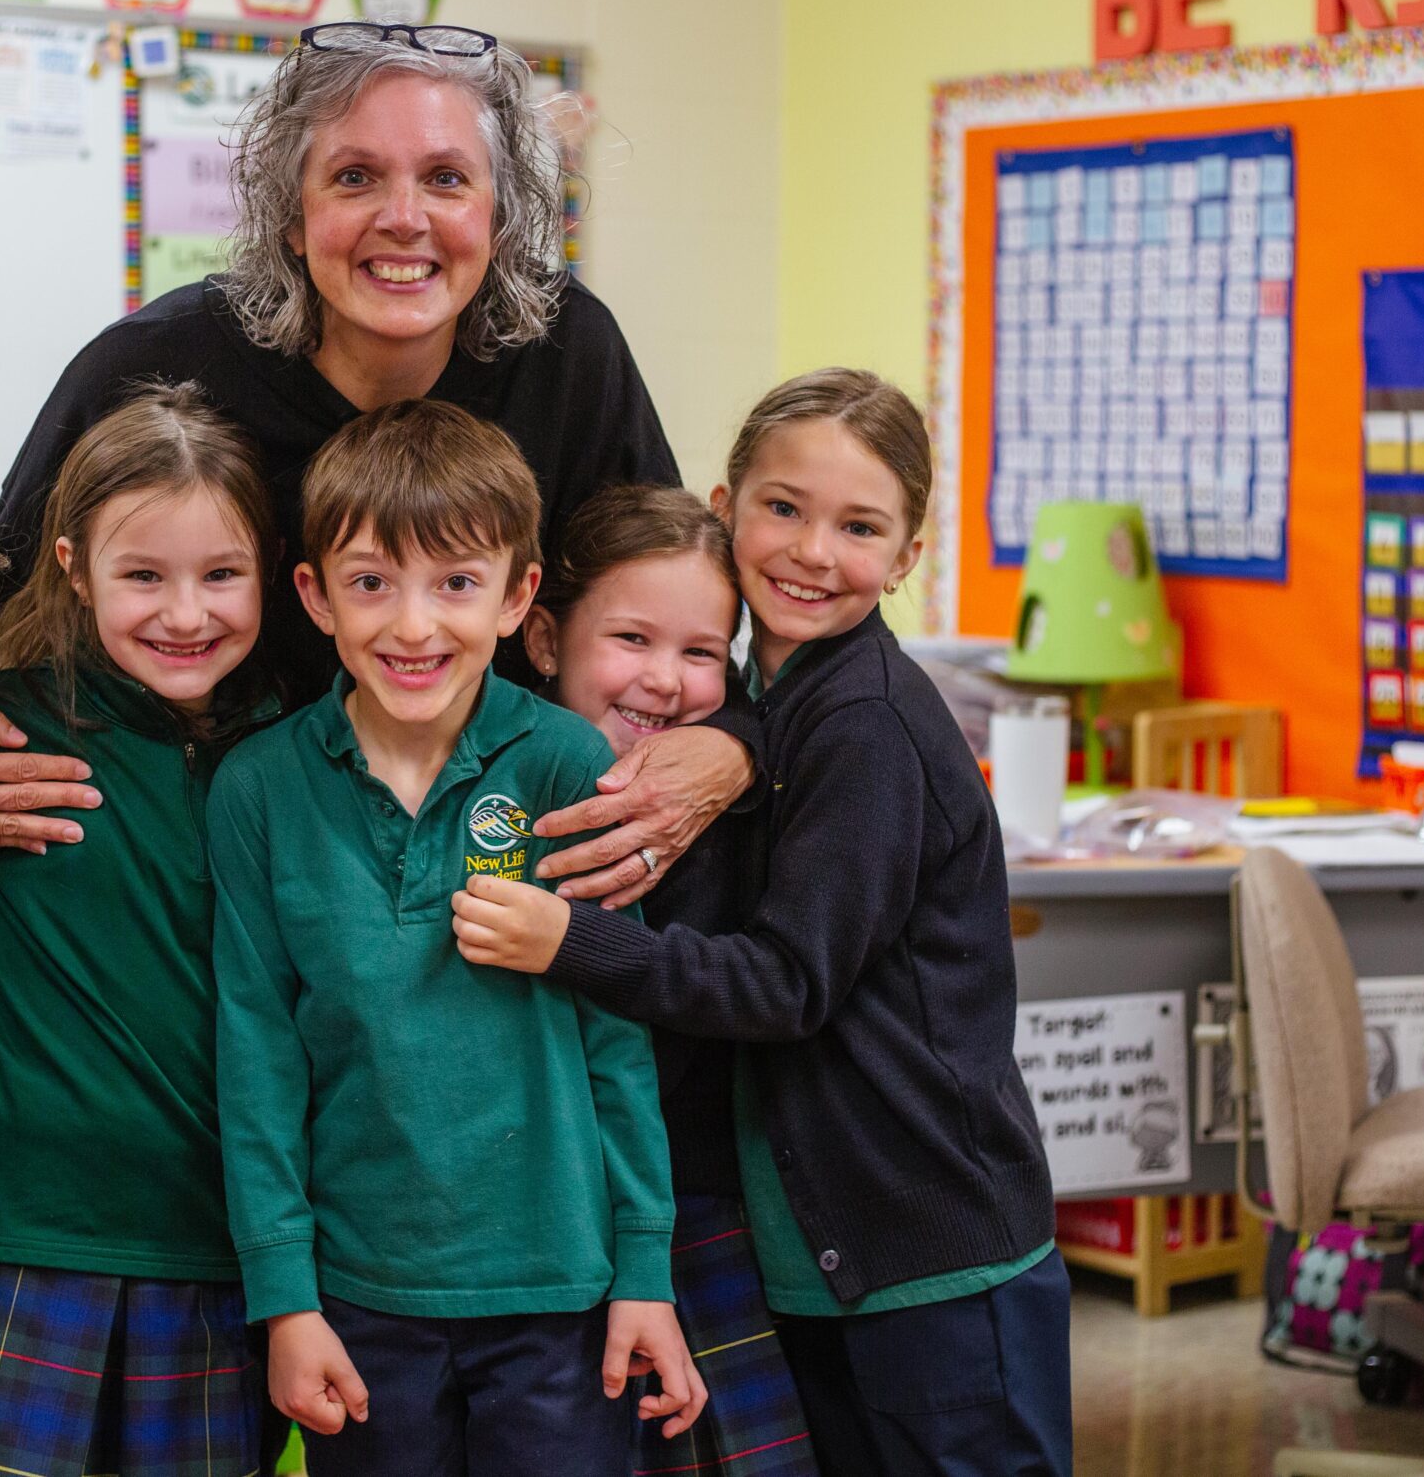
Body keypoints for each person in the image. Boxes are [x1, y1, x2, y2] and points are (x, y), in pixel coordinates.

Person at [0, 22, 745, 911]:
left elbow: (683, 601)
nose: (404, 218)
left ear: (501, 215)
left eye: (446, 178)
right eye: (354, 177)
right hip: (206, 881)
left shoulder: (568, 352)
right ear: (291, 214)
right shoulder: (151, 369)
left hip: (490, 874)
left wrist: (741, 742)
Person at [453, 370, 1072, 1477]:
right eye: (783, 509)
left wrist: (569, 940)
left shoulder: (863, 725)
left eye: (860, 526)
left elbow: (786, 984)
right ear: (727, 502)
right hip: (826, 1250)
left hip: (925, 1235)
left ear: (909, 554)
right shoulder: (768, 709)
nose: (810, 551)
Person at [208, 400, 704, 1476]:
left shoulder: (569, 768)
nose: (414, 626)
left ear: (519, 594)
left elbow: (618, 1046)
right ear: (315, 597)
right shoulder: (257, 787)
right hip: (357, 1299)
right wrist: (285, 1301)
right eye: (372, 582)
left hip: (561, 1298)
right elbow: (255, 1060)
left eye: (457, 584)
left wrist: (643, 1273)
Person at [0, 386, 281, 1476]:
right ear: (71, 567)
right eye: (142, 577)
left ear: (272, 569)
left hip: (223, 1250)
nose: (185, 613)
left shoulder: (294, 752)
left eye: (221, 574)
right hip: (25, 1241)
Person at [519, 484, 820, 1477]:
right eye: (632, 641)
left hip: (694, 1214)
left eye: (700, 653)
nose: (662, 681)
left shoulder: (732, 824)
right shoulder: (487, 803)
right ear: (544, 638)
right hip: (521, 1231)